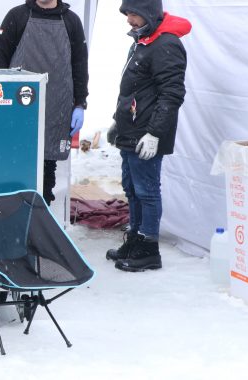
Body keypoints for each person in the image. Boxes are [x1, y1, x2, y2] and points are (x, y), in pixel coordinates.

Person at [106, 0, 191, 272]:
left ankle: (148, 248)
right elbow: (133, 89)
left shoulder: (166, 44)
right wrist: (117, 123)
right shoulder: (143, 41)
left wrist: (154, 133)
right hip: (131, 131)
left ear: (149, 14)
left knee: (147, 191)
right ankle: (135, 238)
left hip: (147, 134)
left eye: (133, 14)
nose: (129, 19)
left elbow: (172, 94)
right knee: (132, 189)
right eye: (127, 13)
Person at [0, 0, 89, 206]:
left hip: (57, 103)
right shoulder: (16, 16)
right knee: (15, 162)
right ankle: (14, 217)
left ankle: (41, 215)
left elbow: (80, 64)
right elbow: (0, 61)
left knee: (47, 166)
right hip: (18, 105)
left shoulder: (71, 21)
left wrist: (80, 103)